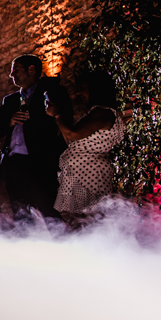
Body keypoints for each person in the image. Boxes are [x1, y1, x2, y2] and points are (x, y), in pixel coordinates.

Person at [0, 54, 70, 219]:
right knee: (20, 215)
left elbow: (64, 122)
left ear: (32, 69)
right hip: (14, 165)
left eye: (16, 71)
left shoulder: (52, 93)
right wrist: (10, 122)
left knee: (49, 212)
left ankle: (60, 244)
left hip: (40, 165)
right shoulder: (10, 100)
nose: (12, 75)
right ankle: (26, 244)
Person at [47, 70, 125, 228]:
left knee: (90, 221)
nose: (77, 93)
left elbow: (74, 134)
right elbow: (72, 141)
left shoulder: (102, 112)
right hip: (81, 173)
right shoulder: (93, 113)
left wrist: (57, 116)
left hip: (91, 174)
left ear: (96, 88)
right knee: (77, 221)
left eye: (82, 87)